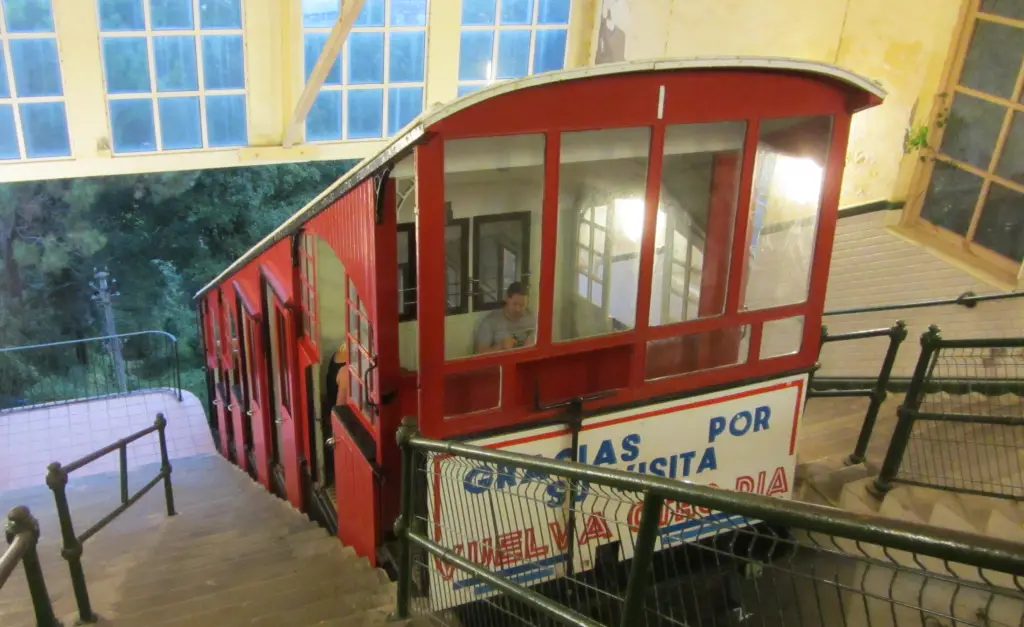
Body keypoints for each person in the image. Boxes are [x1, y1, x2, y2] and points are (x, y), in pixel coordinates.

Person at [474, 282, 537, 354]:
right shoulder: (490, 321)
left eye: (522, 305)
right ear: (506, 299)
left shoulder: (531, 315)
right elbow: (480, 353)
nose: (518, 309)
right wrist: (501, 346)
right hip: (501, 363)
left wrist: (535, 342)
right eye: (515, 304)